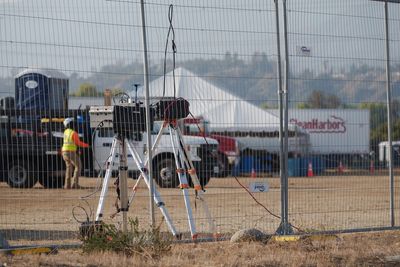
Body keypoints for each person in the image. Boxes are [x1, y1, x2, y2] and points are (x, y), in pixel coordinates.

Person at [62, 117, 89, 189]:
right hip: (71, 152)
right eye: (73, 123)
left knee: (69, 168)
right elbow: (78, 143)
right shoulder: (73, 133)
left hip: (64, 152)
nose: (75, 124)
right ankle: (75, 184)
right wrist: (87, 145)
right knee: (78, 166)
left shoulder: (65, 132)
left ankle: (67, 185)